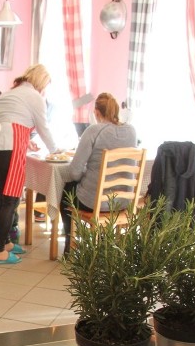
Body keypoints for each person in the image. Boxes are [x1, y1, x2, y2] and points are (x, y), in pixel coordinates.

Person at [0, 64, 59, 264]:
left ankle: (6, 242)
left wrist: (26, 141)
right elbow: (44, 128)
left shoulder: (11, 93)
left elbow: (10, 120)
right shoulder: (34, 96)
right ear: (41, 83)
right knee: (10, 199)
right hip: (9, 145)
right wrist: (56, 151)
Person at [59, 93, 137, 250]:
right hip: (123, 201)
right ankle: (102, 240)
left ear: (96, 112)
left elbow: (74, 172)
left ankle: (70, 245)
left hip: (96, 202)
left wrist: (86, 173)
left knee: (66, 193)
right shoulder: (132, 131)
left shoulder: (93, 131)